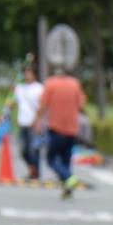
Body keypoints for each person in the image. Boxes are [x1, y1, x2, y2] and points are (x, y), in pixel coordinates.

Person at [32, 67, 86, 199]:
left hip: (56, 128)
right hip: (72, 129)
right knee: (66, 160)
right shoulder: (75, 84)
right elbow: (82, 103)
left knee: (51, 159)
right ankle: (67, 189)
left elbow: (43, 105)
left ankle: (69, 178)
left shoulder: (50, 83)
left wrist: (38, 121)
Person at [11, 66, 43, 180]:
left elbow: (42, 107)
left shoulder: (39, 88)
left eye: (29, 73)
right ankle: (32, 169)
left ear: (34, 75)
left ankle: (36, 172)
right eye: (25, 74)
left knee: (34, 149)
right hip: (22, 122)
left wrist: (37, 121)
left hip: (34, 123)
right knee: (23, 151)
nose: (27, 76)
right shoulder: (19, 88)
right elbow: (13, 102)